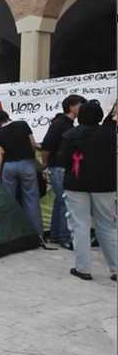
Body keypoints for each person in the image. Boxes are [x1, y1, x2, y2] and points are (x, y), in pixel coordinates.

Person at [57, 100, 117, 282]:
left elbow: (62, 160)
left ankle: (83, 268)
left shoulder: (70, 135)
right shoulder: (110, 135)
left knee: (80, 225)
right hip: (105, 185)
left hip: (76, 185)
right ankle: (115, 268)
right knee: (107, 226)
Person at [41, 94, 85, 246]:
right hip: (58, 168)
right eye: (81, 105)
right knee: (65, 202)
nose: (82, 109)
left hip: (59, 168)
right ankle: (65, 238)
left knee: (60, 202)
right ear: (72, 106)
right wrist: (46, 166)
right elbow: (46, 146)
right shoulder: (60, 124)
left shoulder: (66, 124)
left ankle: (56, 236)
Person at [0, 110, 42, 235]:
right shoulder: (22, 125)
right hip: (27, 164)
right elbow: (32, 144)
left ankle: (11, 234)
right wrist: (33, 159)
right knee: (31, 199)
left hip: (9, 167)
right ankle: (37, 234)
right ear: (8, 117)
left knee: (9, 200)